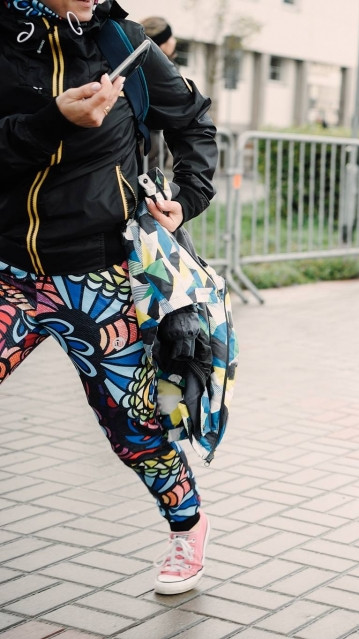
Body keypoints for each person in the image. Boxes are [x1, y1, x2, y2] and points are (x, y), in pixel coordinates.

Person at [0, 0, 219, 594]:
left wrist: (188, 197)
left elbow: (193, 122)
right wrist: (52, 120)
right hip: (7, 270)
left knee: (133, 427)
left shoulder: (123, 41)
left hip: (100, 277)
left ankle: (187, 527)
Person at [140, 15, 177, 171]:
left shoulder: (138, 63)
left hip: (146, 142)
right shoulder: (161, 71)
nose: (174, 41)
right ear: (162, 43)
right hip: (147, 144)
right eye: (170, 37)